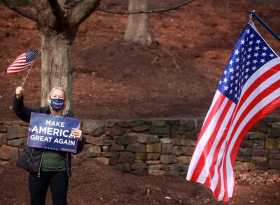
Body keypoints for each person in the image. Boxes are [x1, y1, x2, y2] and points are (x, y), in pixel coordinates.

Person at [13, 86, 85, 205]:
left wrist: (81, 139)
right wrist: (18, 97)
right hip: (38, 171)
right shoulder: (38, 115)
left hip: (60, 172)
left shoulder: (70, 120)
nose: (57, 99)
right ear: (49, 99)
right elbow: (20, 111)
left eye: (60, 97)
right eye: (55, 97)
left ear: (65, 101)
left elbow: (76, 149)